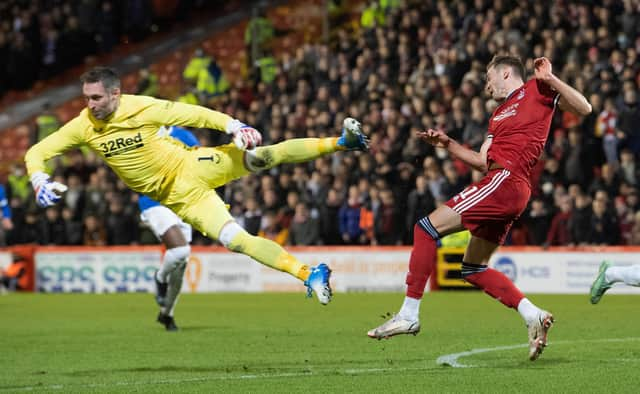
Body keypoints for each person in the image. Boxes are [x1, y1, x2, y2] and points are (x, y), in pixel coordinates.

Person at [24, 66, 368, 307]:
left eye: (97, 97)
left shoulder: (141, 107)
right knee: (236, 240)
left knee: (260, 157)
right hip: (180, 199)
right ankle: (309, 273)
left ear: (116, 93)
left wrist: (233, 125)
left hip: (191, 165)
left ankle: (342, 142)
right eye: (87, 98)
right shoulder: (84, 126)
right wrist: (38, 176)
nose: (90, 105)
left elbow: (191, 114)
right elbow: (37, 151)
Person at [367, 56, 592, 361]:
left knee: (425, 228)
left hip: (507, 180)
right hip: (504, 183)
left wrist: (551, 79)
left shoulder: (537, 89)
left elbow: (584, 108)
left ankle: (409, 313)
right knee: (473, 268)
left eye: (489, 78)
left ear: (506, 73)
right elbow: (480, 161)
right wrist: (448, 144)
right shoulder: (497, 116)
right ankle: (532, 314)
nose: (487, 86)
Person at [139, 125, 199, 331]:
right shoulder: (143, 136)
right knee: (182, 250)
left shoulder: (184, 136)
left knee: (180, 268)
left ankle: (167, 314)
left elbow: (199, 167)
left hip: (182, 203)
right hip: (154, 201)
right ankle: (159, 278)